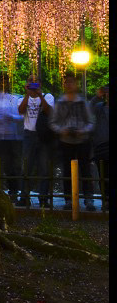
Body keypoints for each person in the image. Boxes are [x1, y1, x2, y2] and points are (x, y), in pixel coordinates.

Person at [51, 72, 96, 211]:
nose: (69, 85)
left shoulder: (82, 102)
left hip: (82, 139)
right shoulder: (60, 102)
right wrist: (61, 130)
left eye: (71, 82)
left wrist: (83, 130)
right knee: (66, 170)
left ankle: (89, 198)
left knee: (85, 169)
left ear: (76, 84)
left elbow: (91, 121)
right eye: (66, 82)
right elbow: (53, 122)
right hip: (66, 140)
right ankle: (69, 199)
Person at [18, 80, 55, 208]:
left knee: (44, 168)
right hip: (29, 134)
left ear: (40, 84)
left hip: (43, 135)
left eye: (35, 82)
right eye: (30, 82)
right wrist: (28, 94)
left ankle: (43, 197)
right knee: (26, 166)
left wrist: (39, 95)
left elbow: (49, 111)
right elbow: (20, 111)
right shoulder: (22, 98)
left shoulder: (48, 96)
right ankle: (24, 196)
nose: (33, 84)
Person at [89, 85, 108, 210]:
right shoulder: (100, 107)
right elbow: (88, 108)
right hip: (101, 145)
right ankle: (106, 200)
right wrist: (97, 96)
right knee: (103, 174)